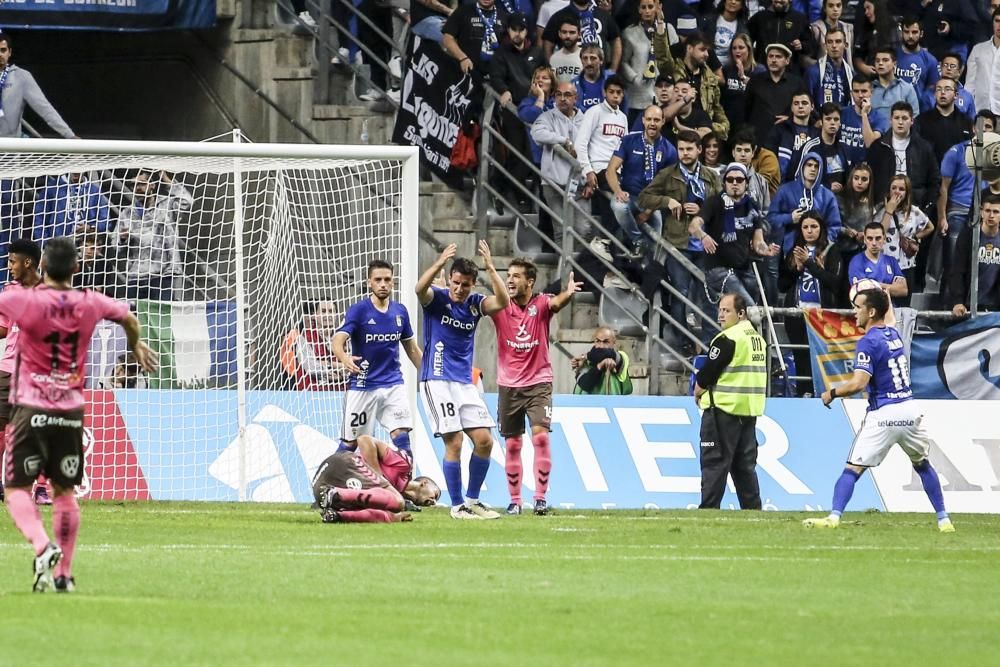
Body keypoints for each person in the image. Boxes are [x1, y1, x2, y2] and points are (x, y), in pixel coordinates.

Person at [0, 237, 158, 592]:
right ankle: (64, 576)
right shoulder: (91, 302)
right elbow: (127, 317)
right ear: (76, 267)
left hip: (30, 408)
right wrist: (135, 344)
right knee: (64, 492)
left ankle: (43, 546)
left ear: (41, 267)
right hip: (70, 411)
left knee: (16, 491)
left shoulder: (21, 299)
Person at [804, 287, 955, 532]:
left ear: (871, 311)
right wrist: (884, 294)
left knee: (852, 469)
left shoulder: (868, 342)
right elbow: (890, 317)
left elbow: (858, 383)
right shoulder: (893, 334)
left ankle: (833, 517)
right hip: (909, 410)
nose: (854, 312)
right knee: (923, 464)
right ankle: (943, 519)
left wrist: (831, 393)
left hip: (884, 413)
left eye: (858, 307)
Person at [416, 241, 509, 520]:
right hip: (437, 380)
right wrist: (438, 263)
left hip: (464, 383)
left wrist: (492, 268)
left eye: (465, 285)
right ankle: (457, 507)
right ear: (449, 279)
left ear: (472, 284)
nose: (459, 289)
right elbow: (419, 289)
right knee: (454, 442)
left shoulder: (475, 304)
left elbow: (503, 301)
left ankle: (473, 500)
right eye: (455, 283)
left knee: (485, 441)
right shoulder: (437, 299)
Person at [492, 259, 581, 515]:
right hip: (508, 385)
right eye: (508, 275)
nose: (510, 280)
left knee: (540, 437)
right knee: (513, 445)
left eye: (516, 276)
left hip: (538, 382)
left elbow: (556, 303)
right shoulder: (499, 306)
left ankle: (540, 498)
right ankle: (515, 501)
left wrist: (569, 293)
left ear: (529, 282)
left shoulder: (541, 304)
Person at [638, 130, 722, 345]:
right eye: (681, 149)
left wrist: (703, 208)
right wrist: (667, 201)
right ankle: (682, 342)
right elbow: (643, 198)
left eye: (689, 149)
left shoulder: (712, 176)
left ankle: (709, 342)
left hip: (705, 245)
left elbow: (722, 205)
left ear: (699, 150)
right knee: (680, 295)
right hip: (678, 243)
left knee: (710, 296)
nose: (684, 153)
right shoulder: (668, 174)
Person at [332, 259, 422, 454]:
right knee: (350, 444)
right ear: (369, 282)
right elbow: (337, 340)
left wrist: (428, 375)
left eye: (387, 279)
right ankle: (329, 480)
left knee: (403, 437)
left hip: (393, 385)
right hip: (363, 385)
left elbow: (412, 349)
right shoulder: (359, 310)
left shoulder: (400, 312)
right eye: (378, 279)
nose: (383, 284)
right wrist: (345, 358)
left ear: (393, 282)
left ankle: (401, 484)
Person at [693, 292, 767, 510]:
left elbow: (708, 373)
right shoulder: (757, 340)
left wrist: (698, 390)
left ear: (741, 313)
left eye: (727, 310)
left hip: (723, 410)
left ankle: (708, 508)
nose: (721, 315)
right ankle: (753, 511)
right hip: (748, 411)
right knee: (744, 467)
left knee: (714, 463)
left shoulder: (728, 338)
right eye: (720, 310)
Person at [689, 162, 778, 309]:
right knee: (749, 308)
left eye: (739, 180)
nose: (734, 183)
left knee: (754, 301)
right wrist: (703, 236)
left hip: (743, 267)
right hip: (718, 269)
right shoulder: (714, 202)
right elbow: (694, 226)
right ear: (724, 183)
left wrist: (765, 250)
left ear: (746, 183)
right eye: (730, 180)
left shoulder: (752, 206)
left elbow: (758, 242)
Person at [778, 211, 844, 394]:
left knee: (822, 357)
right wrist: (797, 269)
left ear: (821, 228)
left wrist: (810, 264)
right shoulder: (794, 251)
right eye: (805, 227)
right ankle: (804, 393)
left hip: (823, 315)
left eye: (814, 226)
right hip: (797, 314)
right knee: (801, 356)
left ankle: (824, 393)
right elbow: (782, 285)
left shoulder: (832, 250)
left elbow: (835, 283)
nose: (809, 231)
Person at [312, 435, 441, 524]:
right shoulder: (404, 467)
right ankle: (335, 494)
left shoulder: (387, 499)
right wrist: (379, 478)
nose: (433, 501)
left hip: (319, 488)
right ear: (425, 483)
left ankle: (336, 515)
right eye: (435, 494)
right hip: (342, 463)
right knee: (397, 501)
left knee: (388, 515)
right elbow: (364, 440)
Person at [0, 239, 43, 504]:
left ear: (28, 262)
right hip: (6, 368)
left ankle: (40, 488)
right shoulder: (8, 291)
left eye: (12, 261)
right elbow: (4, 329)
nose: (9, 267)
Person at [606, 104, 676, 258]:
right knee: (618, 206)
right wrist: (617, 191)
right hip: (629, 195)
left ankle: (646, 267)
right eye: (649, 119)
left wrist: (648, 212)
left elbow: (667, 186)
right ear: (643, 120)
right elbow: (611, 169)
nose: (652, 123)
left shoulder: (670, 150)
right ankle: (638, 240)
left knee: (656, 243)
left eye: (656, 120)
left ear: (663, 121)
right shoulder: (628, 140)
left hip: (653, 202)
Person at [117, 169, 192, 302]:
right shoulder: (126, 213)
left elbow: (187, 202)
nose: (137, 188)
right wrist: (122, 239)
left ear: (152, 185)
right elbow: (115, 246)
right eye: (134, 185)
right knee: (135, 319)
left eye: (141, 184)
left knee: (161, 318)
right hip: (136, 275)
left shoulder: (166, 205)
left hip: (162, 275)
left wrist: (166, 179)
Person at [531, 81, 588, 251]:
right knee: (561, 229)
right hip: (553, 182)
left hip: (579, 183)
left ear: (575, 98)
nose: (563, 99)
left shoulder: (585, 120)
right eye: (559, 95)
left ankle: (576, 270)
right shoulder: (547, 116)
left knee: (583, 229)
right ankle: (565, 271)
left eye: (568, 95)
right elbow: (537, 133)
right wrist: (564, 141)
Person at [653, 24, 731, 140]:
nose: (706, 55)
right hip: (673, 131)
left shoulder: (711, 78)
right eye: (702, 50)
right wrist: (660, 24)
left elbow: (717, 108)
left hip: (702, 135)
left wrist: (718, 128)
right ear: (689, 48)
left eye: (707, 51)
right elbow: (662, 55)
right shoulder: (673, 70)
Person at [866, 102, 940, 217]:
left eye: (904, 118)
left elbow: (934, 180)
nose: (900, 122)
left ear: (912, 121)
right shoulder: (878, 147)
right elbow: (870, 179)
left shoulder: (924, 148)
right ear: (890, 120)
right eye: (896, 118)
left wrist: (927, 208)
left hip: (915, 208)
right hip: (883, 208)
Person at [0, 33, 77, 140]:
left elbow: (45, 108)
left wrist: (70, 135)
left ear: (10, 52)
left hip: (10, 149)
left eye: (3, 50)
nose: (0, 54)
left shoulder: (21, 77)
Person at [873, 174, 934, 301]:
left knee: (904, 308)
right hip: (885, 265)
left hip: (906, 266)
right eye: (894, 188)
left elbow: (930, 227)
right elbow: (879, 235)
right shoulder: (879, 211)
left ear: (907, 192)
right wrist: (889, 211)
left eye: (901, 189)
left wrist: (916, 237)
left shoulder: (914, 211)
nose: (897, 192)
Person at [946, 193, 1000, 316]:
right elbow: (957, 270)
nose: (991, 215)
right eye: (987, 211)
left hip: (995, 306)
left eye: (996, 212)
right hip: (969, 304)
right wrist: (958, 301)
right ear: (981, 212)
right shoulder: (968, 236)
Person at [744, 43, 805, 148]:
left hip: (787, 140)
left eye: (778, 56)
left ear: (787, 61)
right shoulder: (755, 81)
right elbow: (745, 110)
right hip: (759, 141)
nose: (773, 60)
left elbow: (807, 108)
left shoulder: (797, 83)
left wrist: (791, 118)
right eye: (770, 56)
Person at [288, 300, 351, 391]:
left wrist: (329, 364)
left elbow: (351, 367)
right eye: (323, 311)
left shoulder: (344, 338)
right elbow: (311, 368)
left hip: (341, 392)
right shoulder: (304, 338)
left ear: (336, 315)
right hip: (312, 394)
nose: (327, 315)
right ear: (314, 315)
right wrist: (336, 367)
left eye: (331, 311)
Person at [31, 173, 111, 243]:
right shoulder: (52, 188)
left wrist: (90, 227)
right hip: (58, 246)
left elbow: (106, 220)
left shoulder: (94, 191)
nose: (76, 172)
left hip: (85, 245)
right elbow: (39, 217)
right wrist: (45, 243)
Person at [441, 0, 509, 79]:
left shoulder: (504, 16)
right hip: (467, 72)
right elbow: (447, 38)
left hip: (494, 76)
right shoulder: (463, 11)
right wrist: (462, 58)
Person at [619, 0, 662, 125]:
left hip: (660, 92)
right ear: (639, 9)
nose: (647, 11)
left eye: (650, 7)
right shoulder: (629, 33)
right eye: (644, 7)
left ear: (657, 7)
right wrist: (634, 79)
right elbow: (623, 62)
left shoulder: (667, 30)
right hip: (637, 94)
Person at [914, 78, 973, 163]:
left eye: (947, 89)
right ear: (934, 94)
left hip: (958, 173)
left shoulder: (966, 122)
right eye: (939, 89)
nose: (942, 92)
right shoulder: (921, 121)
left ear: (956, 95)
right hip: (930, 173)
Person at [847, 222, 908, 302]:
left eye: (878, 238)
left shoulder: (891, 261)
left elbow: (903, 290)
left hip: (890, 311)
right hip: (867, 311)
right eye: (870, 238)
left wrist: (873, 284)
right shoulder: (856, 262)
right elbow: (862, 291)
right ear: (864, 240)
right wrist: (891, 288)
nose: (874, 243)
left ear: (884, 239)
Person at [748, 0, 815, 71]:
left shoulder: (800, 19)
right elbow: (746, 40)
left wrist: (801, 45)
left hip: (790, 73)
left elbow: (810, 45)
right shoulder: (759, 17)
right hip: (764, 72)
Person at [766, 90, 819, 179]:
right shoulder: (779, 129)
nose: (800, 106)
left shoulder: (817, 133)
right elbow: (769, 158)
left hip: (810, 185)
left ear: (812, 107)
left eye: (804, 103)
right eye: (796, 103)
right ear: (791, 107)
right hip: (783, 185)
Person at [839, 74, 888, 168]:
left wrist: (864, 114)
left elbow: (869, 143)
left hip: (866, 170)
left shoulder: (880, 118)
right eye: (856, 91)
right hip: (844, 169)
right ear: (851, 93)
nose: (860, 95)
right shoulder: (842, 113)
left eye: (864, 91)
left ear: (871, 92)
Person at [720, 33, 764, 132]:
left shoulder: (759, 71)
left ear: (749, 49)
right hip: (729, 122)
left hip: (750, 124)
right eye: (734, 48)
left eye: (741, 47)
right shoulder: (727, 69)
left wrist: (743, 77)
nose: (737, 51)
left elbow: (762, 94)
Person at [571, 326, 633, 394]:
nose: (601, 346)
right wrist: (599, 367)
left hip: (614, 403)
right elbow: (585, 384)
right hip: (589, 404)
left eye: (606, 342)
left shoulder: (622, 356)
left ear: (614, 342)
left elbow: (606, 354)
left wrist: (585, 356)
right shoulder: (585, 362)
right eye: (598, 341)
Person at [895, 16, 939, 108]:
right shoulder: (891, 56)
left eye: (914, 32)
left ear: (921, 33)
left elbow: (932, 89)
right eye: (906, 32)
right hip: (892, 109)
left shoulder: (930, 60)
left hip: (918, 111)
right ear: (901, 33)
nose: (910, 36)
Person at [870, 47, 921, 119]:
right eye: (877, 61)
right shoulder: (869, 89)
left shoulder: (907, 89)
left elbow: (915, 116)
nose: (880, 63)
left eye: (885, 60)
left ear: (894, 64)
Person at [966, 9, 1000, 114]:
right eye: (997, 21)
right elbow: (969, 85)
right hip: (979, 112)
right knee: (979, 131)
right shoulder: (978, 49)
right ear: (992, 23)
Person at [549, 17, 583, 83]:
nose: (568, 36)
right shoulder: (554, 58)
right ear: (559, 34)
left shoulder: (585, 56)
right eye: (564, 32)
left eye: (572, 32)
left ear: (579, 34)